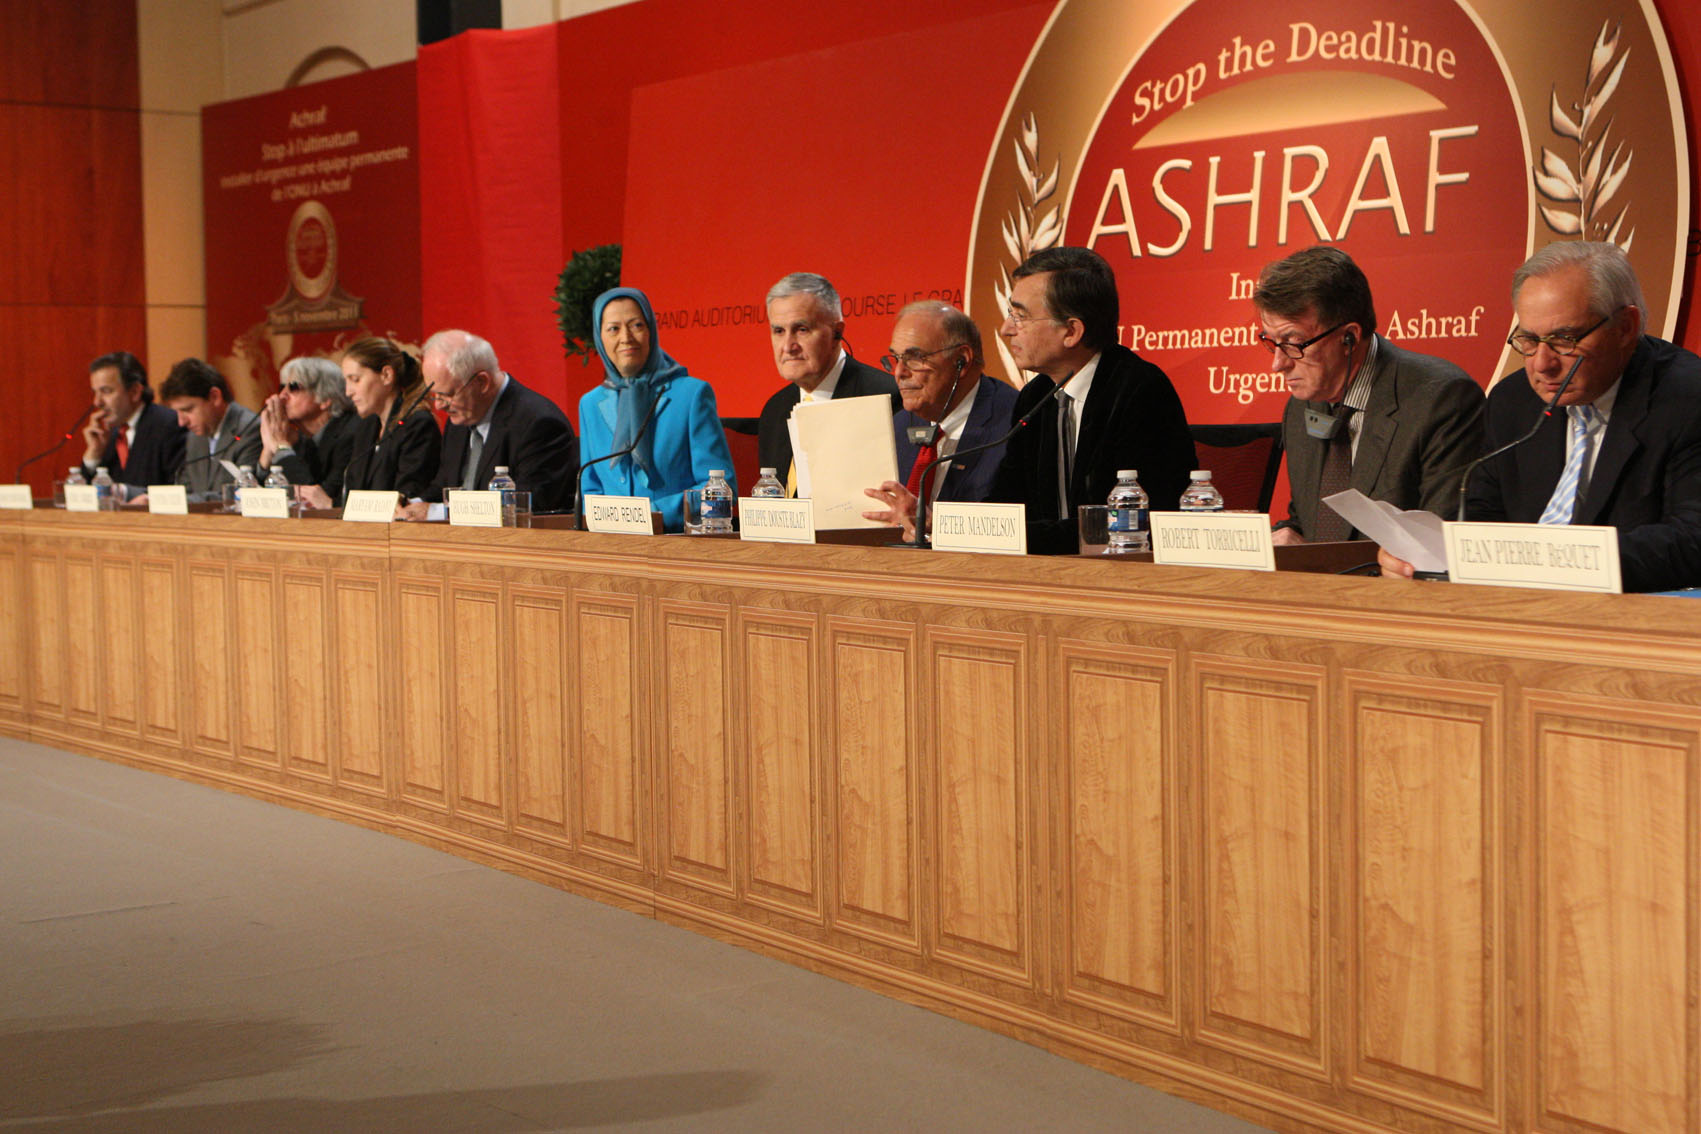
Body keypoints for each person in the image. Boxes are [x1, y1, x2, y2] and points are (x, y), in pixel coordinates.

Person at [1379, 241, 1701, 592]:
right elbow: (1481, 513)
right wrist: (1430, 557)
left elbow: (1692, 540)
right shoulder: (1513, 401)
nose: (1542, 364)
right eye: (1529, 340)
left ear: (1625, 326)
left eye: (1564, 339)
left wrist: (1557, 561)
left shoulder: (1687, 398)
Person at [1254, 246, 1484, 543]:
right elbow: (1309, 519)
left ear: (1349, 337)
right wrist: (1288, 537)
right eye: (1271, 342)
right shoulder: (1301, 409)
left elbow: (1442, 545)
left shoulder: (1441, 401)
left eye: (1294, 343)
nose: (1278, 364)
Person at [988, 246, 1196, 554]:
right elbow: (1007, 501)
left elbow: (1130, 523)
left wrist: (1018, 537)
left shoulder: (1139, 390)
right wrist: (940, 521)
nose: (1007, 329)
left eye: (1020, 316)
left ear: (1071, 331)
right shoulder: (1036, 396)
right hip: (1047, 574)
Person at [579, 286, 735, 531]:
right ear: (600, 339)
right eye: (613, 329)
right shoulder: (590, 404)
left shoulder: (691, 394)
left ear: (651, 330)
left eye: (636, 325)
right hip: (609, 546)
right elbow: (589, 488)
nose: (626, 338)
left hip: (673, 543)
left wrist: (653, 515)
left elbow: (718, 486)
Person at [860, 302, 1018, 534]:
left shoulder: (1015, 423)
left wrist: (938, 525)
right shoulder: (898, 425)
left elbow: (1016, 527)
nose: (899, 372)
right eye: (896, 358)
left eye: (914, 358)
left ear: (961, 360)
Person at [407, 329, 578, 515]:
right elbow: (444, 485)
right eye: (434, 395)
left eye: (446, 395)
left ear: (482, 382)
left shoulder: (539, 424)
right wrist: (412, 504)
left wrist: (438, 512)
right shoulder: (461, 418)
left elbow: (529, 505)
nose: (439, 405)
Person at [757, 272, 899, 495]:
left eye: (801, 329)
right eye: (778, 331)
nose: (788, 346)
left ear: (837, 333)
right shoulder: (774, 410)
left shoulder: (885, 399)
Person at [338, 336, 441, 507]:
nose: (348, 392)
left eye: (355, 380)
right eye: (346, 381)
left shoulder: (418, 425)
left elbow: (406, 496)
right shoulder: (366, 427)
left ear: (386, 375)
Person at [80, 350, 186, 501]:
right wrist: (93, 455)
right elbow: (86, 498)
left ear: (135, 391)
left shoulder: (169, 425)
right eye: (95, 392)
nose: (97, 402)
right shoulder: (110, 434)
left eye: (106, 391)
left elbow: (176, 492)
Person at [257, 356, 360, 509]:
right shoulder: (303, 438)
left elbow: (317, 499)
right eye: (282, 388)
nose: (282, 396)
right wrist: (268, 450)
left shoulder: (351, 433)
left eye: (293, 387)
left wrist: (282, 447)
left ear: (325, 399)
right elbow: (261, 495)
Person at [159, 358, 262, 502]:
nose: (181, 422)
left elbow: (240, 495)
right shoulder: (195, 437)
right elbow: (185, 489)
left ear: (215, 397)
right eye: (178, 413)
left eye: (187, 410)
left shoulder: (249, 429)